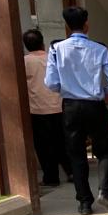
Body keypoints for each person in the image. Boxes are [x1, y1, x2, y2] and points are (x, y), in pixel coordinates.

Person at [44, 6, 108, 215]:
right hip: (95, 105)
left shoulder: (56, 49)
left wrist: (67, 89)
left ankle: (85, 202)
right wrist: (100, 91)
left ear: (67, 26)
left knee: (76, 154)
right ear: (86, 25)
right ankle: (105, 190)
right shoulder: (100, 49)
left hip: (70, 106)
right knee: (105, 150)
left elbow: (50, 82)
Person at [22, 29, 72, 187]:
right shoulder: (53, 58)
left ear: (26, 45)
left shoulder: (24, 62)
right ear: (42, 42)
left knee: (44, 146)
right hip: (59, 106)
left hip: (37, 109)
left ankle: (51, 177)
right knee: (63, 142)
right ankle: (71, 171)